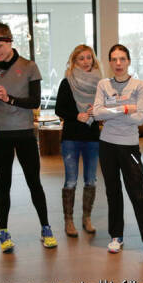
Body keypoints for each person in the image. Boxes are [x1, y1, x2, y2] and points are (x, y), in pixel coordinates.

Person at [0, 22, 55, 251]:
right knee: (3, 184)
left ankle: (45, 227)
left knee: (34, 181)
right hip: (0, 132)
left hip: (24, 132)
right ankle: (3, 231)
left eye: (0, 46)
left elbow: (35, 102)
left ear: (10, 41)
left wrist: (10, 98)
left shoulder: (29, 66)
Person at [93, 43, 143, 257]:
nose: (118, 63)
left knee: (137, 192)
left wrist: (111, 111)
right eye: (114, 59)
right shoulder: (103, 84)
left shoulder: (139, 85)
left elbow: (140, 117)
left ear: (128, 61)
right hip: (107, 145)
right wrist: (123, 108)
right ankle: (116, 236)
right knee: (113, 192)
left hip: (129, 145)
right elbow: (97, 113)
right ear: (110, 62)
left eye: (122, 59)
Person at [54, 44, 102, 236]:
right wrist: (77, 116)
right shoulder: (67, 81)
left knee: (91, 180)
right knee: (71, 181)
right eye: (80, 58)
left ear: (93, 59)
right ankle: (69, 221)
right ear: (74, 61)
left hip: (92, 136)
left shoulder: (101, 83)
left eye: (88, 57)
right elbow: (59, 109)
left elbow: (104, 106)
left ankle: (86, 218)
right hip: (71, 137)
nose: (85, 62)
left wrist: (96, 112)